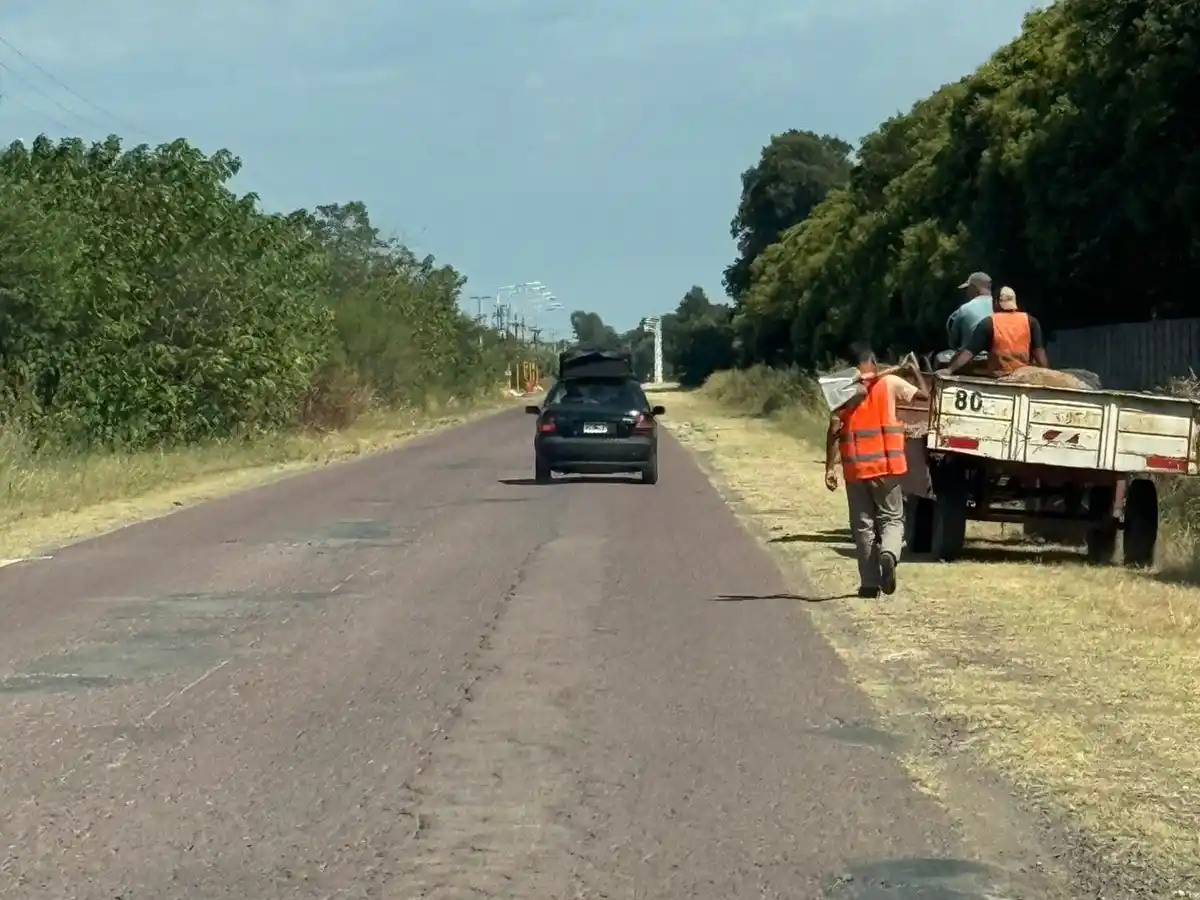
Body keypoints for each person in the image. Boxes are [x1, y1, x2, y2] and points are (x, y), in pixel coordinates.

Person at [824, 345, 927, 598]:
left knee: (862, 526)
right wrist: (914, 372)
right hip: (886, 467)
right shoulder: (890, 382)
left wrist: (830, 467)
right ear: (873, 362)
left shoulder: (842, 390)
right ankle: (889, 553)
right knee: (891, 519)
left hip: (855, 468)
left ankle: (869, 585)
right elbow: (923, 396)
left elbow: (834, 429)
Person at [944, 286, 1049, 376]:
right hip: (1023, 375)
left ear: (996, 303)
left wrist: (949, 370)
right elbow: (1039, 353)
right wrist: (1047, 374)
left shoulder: (989, 322)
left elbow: (969, 352)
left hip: (999, 375)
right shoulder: (1030, 321)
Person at [945, 272, 994, 351]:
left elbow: (953, 341)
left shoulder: (963, 309)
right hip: (998, 357)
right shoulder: (1000, 307)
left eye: (967, 288)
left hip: (971, 359)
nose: (966, 292)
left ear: (974, 288)